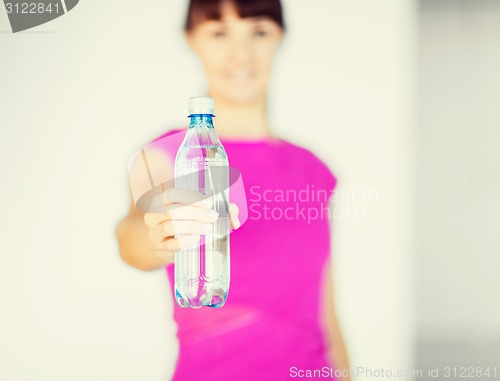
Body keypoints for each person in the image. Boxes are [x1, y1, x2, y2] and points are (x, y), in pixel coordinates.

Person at [115, 0, 350, 380]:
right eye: (219, 32)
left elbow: (325, 310)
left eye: (258, 31)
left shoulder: (313, 169)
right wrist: (159, 238)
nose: (240, 54)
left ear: (279, 38)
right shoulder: (169, 156)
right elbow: (131, 237)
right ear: (191, 39)